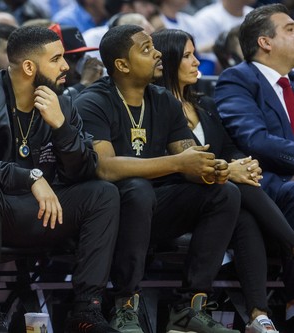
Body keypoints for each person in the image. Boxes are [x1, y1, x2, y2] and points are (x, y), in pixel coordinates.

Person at [0, 25, 121, 333]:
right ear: (28, 67)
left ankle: (86, 311)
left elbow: (84, 170)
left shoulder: (62, 104)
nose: (66, 66)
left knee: (103, 193)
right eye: (57, 59)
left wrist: (62, 128)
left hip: (38, 212)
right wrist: (31, 177)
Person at [74, 24, 242, 333]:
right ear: (122, 65)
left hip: (156, 208)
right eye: (146, 49)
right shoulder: (93, 101)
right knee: (137, 190)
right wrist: (178, 163)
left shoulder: (163, 100)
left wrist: (211, 168)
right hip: (109, 214)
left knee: (225, 193)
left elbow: (188, 155)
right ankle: (125, 305)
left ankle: (190, 306)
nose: (158, 53)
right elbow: (105, 168)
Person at [153, 27, 294, 333]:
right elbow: (182, 163)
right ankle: (290, 243)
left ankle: (259, 315)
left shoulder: (204, 104)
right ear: (168, 60)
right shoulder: (156, 107)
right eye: (188, 56)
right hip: (173, 197)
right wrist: (233, 171)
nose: (196, 62)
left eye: (195, 54)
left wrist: (245, 164)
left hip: (218, 198)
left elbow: (230, 147)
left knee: (243, 211)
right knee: (232, 188)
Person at [214, 3, 294, 328]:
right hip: (266, 181)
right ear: (265, 41)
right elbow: (254, 140)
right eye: (290, 29)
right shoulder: (238, 79)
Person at [48, 23, 105, 98]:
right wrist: (84, 84)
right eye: (74, 57)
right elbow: (61, 104)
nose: (83, 64)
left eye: (83, 55)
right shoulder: (40, 84)